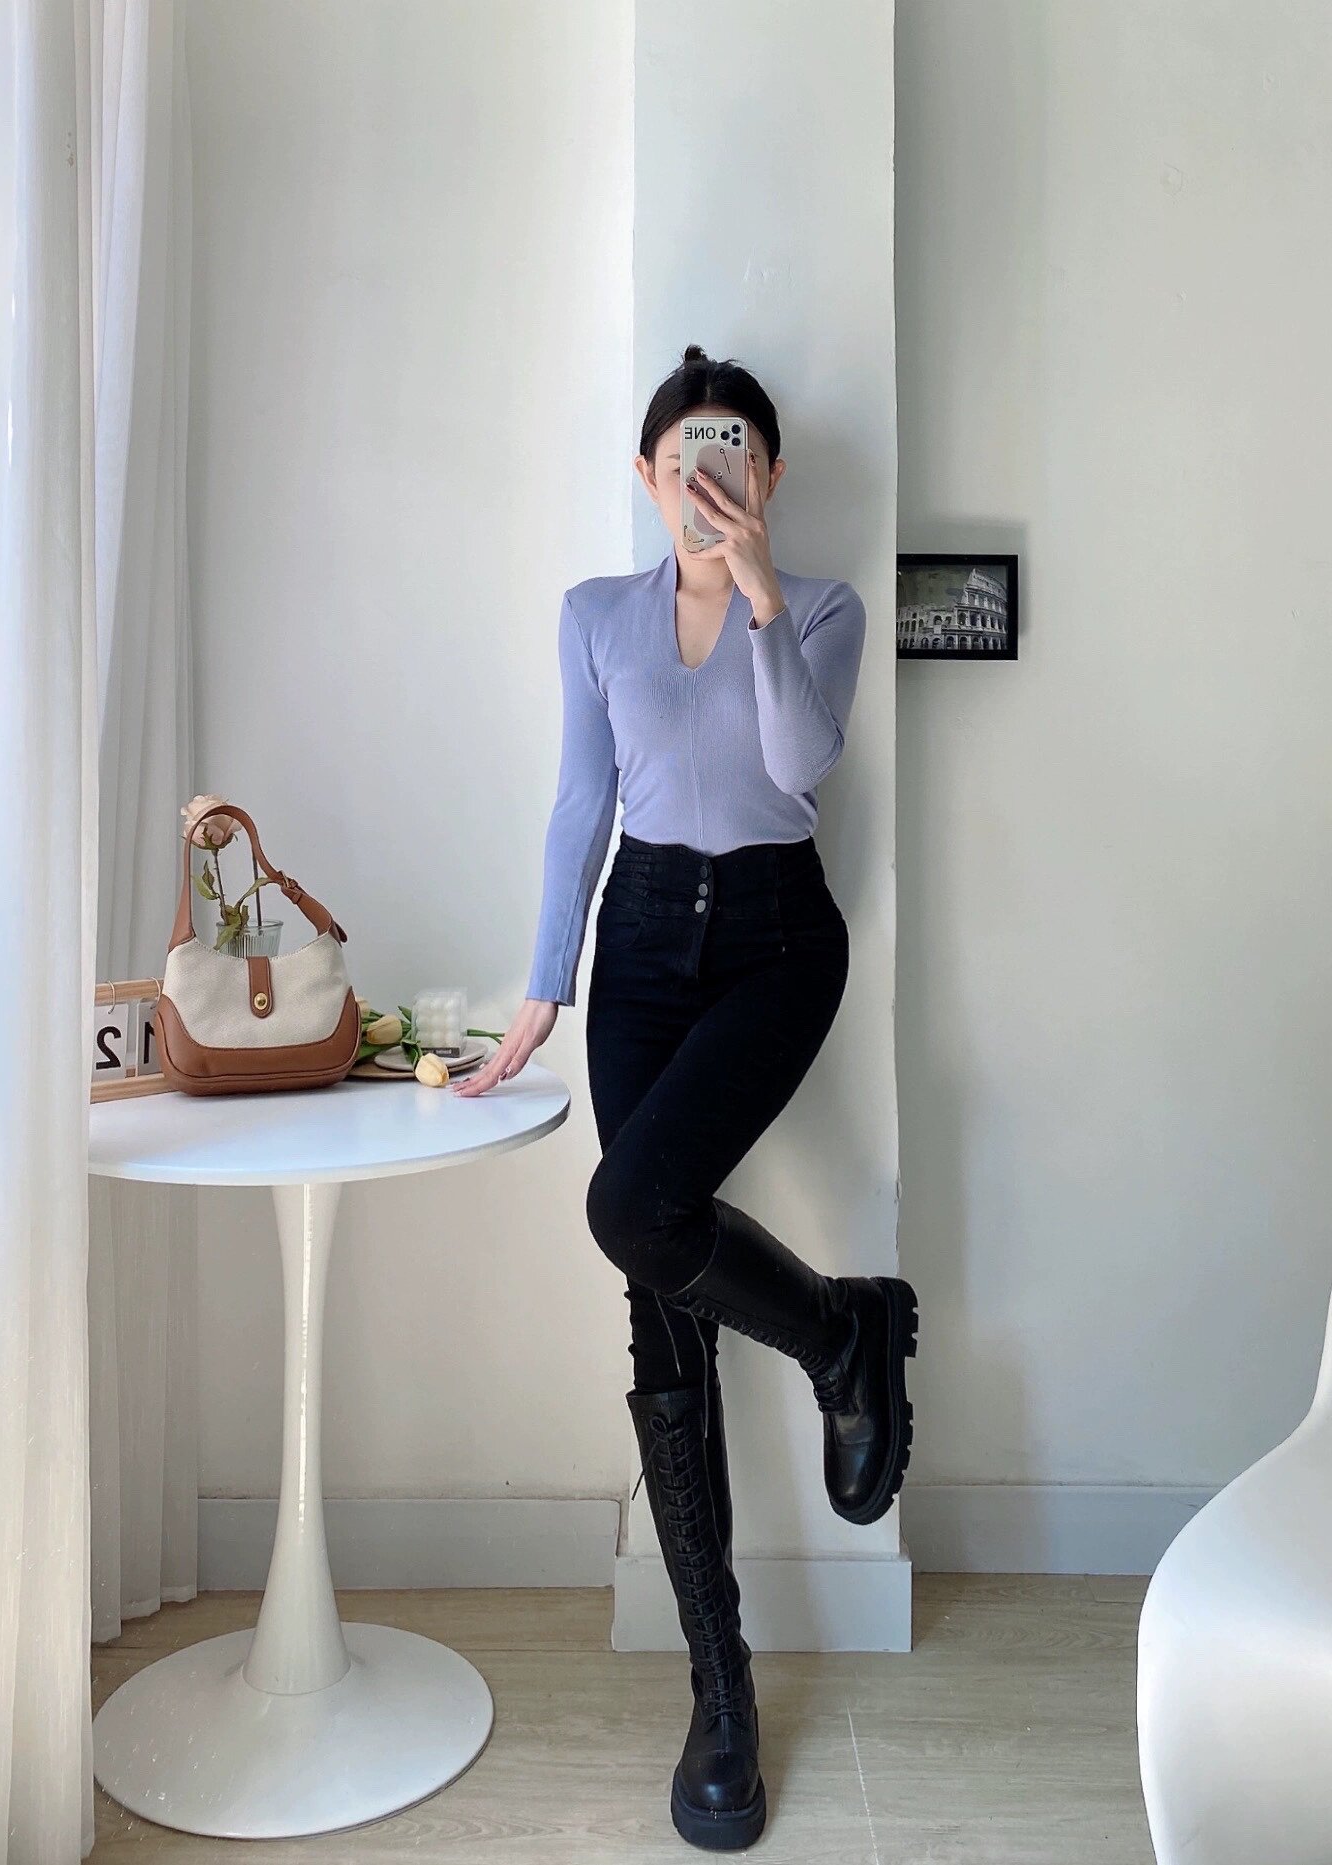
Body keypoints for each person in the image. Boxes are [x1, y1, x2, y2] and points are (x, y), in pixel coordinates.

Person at [453, 344, 918, 1852]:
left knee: (630, 1207)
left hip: (779, 941)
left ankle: (843, 1335)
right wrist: (544, 986)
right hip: (643, 948)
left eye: (732, 455)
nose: (705, 478)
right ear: (647, 478)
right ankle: (723, 1685)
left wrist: (761, 586)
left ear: (766, 474)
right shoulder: (596, 617)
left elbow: (798, 767)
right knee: (654, 1282)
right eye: (680, 459)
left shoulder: (824, 610)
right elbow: (580, 803)